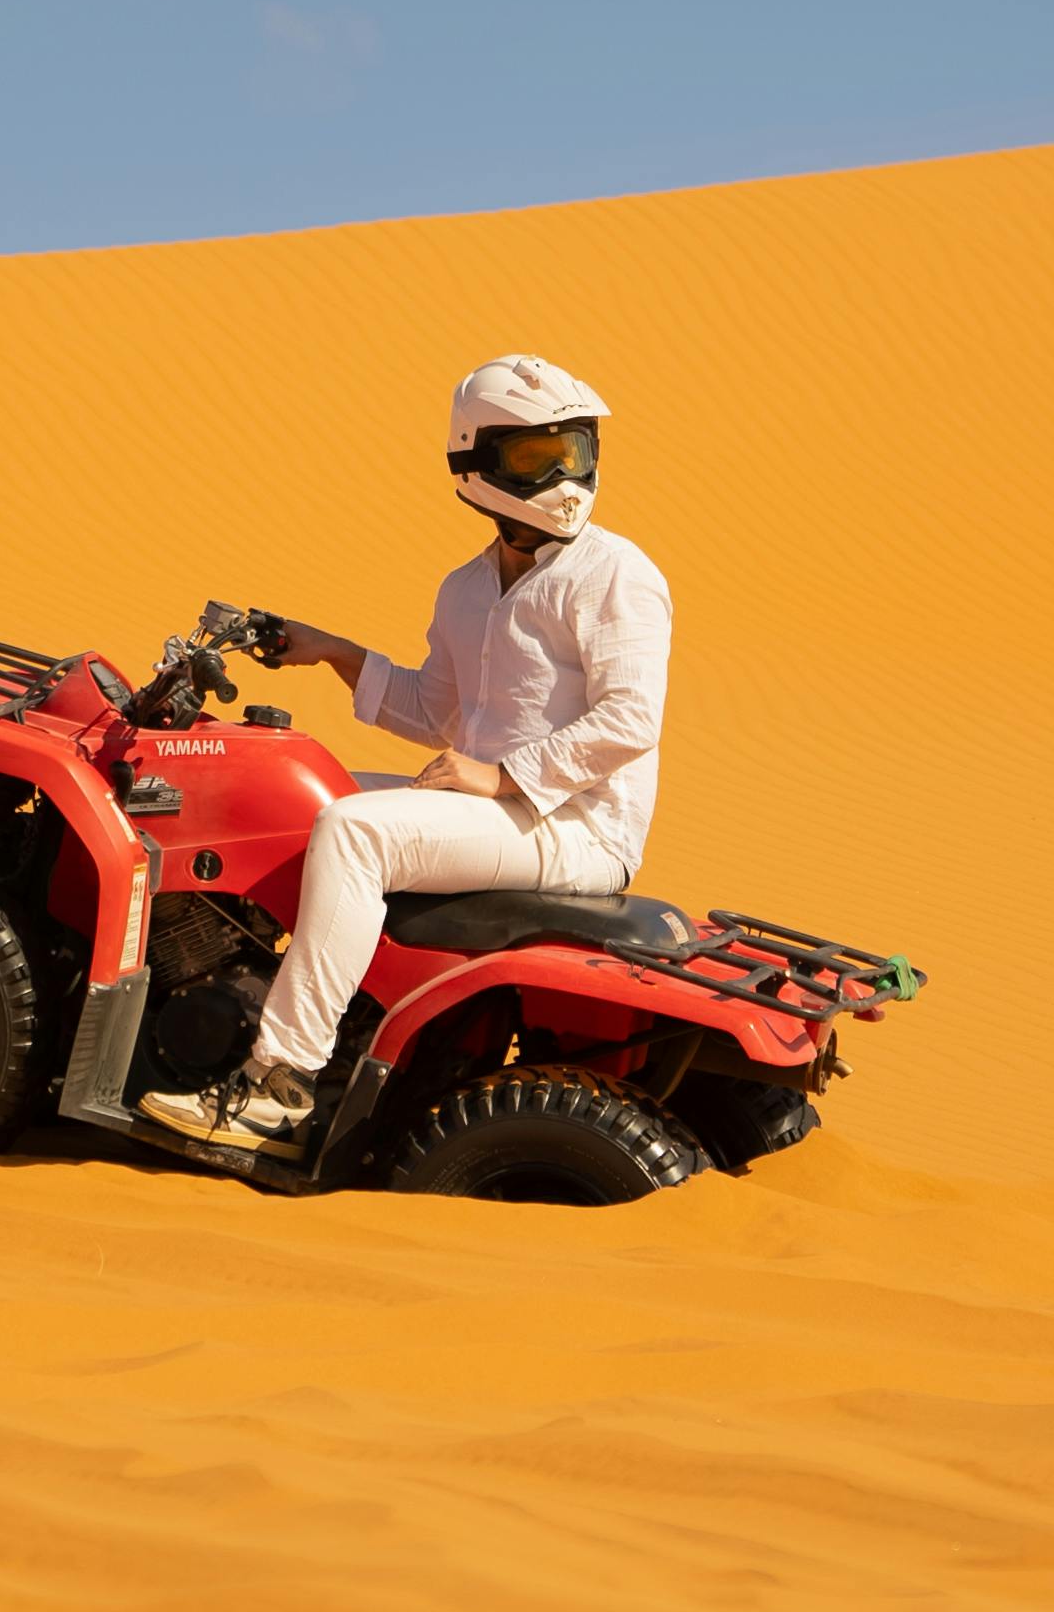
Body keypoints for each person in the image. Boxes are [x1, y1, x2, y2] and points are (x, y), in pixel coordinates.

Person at [139, 354, 672, 1157]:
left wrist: (501, 775)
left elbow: (632, 718)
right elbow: (438, 710)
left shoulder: (616, 574)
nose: (565, 475)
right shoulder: (465, 588)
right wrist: (331, 651)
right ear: (476, 466)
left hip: (575, 828)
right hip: (488, 808)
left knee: (356, 832)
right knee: (300, 801)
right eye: (536, 456)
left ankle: (278, 1083)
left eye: (576, 450)